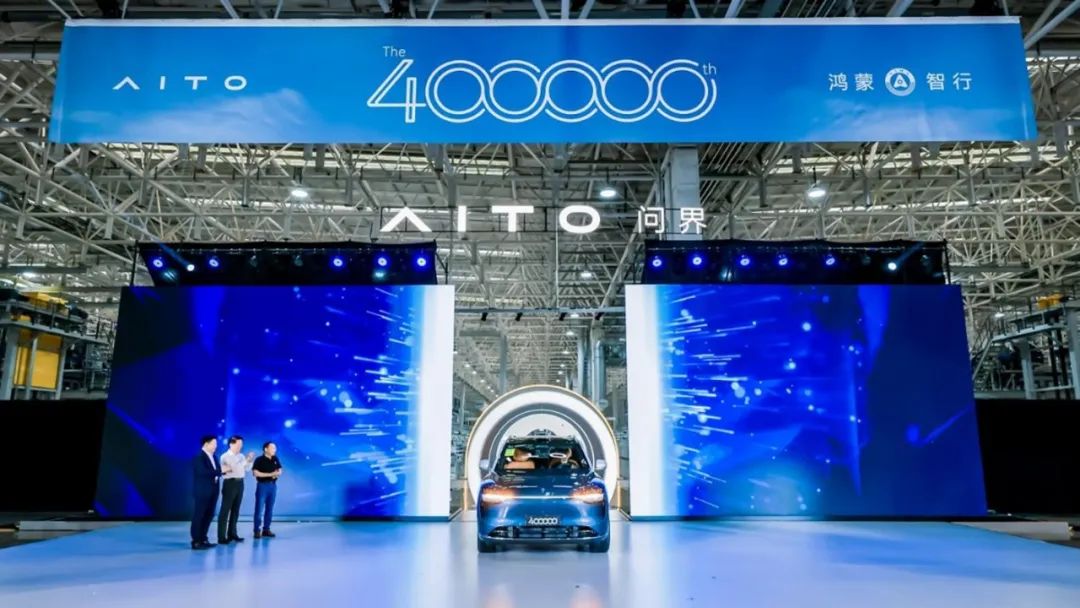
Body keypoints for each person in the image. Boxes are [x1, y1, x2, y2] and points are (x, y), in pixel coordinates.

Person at [217, 435, 255, 545]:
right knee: (225, 510)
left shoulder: (241, 456)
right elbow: (235, 468)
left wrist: (249, 461)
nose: (240, 446)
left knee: (236, 510)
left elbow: (247, 469)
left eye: (241, 444)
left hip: (240, 483)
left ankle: (232, 533)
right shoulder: (225, 456)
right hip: (230, 483)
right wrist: (245, 460)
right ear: (231, 444)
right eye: (238, 444)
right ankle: (221, 537)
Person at [190, 435, 221, 550]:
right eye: (214, 444)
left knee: (209, 515)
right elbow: (202, 472)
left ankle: (203, 538)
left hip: (213, 490)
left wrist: (221, 471)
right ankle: (196, 541)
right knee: (199, 515)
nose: (216, 446)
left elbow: (217, 471)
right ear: (206, 444)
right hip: (202, 491)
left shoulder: (214, 457)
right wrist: (220, 471)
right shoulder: (199, 457)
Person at [252, 441, 283, 539]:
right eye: (272, 448)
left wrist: (277, 473)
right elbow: (255, 473)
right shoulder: (259, 460)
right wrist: (271, 474)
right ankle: (257, 530)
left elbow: (280, 470)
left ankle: (266, 529)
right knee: (259, 509)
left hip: (273, 486)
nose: (275, 450)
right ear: (266, 449)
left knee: (269, 509)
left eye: (275, 448)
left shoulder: (275, 459)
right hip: (262, 486)